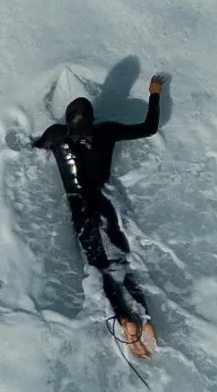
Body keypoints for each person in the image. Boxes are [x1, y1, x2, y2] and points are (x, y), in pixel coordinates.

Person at [33, 76, 164, 355]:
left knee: (100, 268)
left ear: (68, 124)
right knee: (120, 264)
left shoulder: (56, 136)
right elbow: (149, 128)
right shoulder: (106, 132)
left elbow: (36, 147)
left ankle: (126, 320)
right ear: (91, 122)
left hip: (80, 211)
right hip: (104, 205)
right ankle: (147, 320)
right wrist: (154, 94)